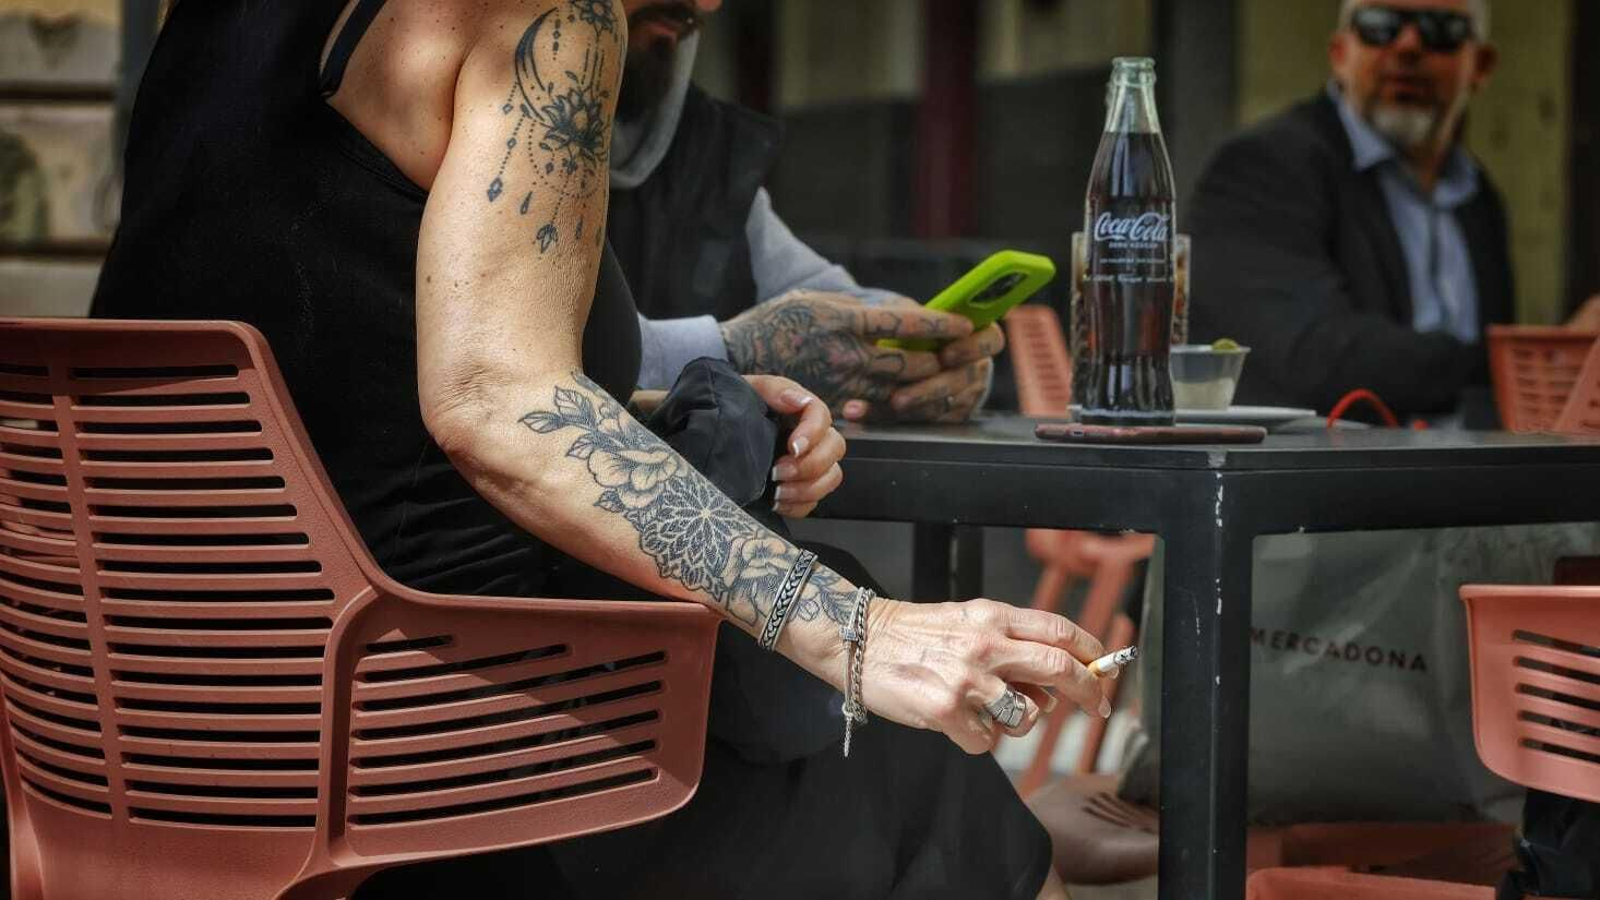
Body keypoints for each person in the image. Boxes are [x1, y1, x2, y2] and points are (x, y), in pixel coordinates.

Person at [89, 2, 1104, 898]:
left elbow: (339, 368)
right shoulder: (549, 11)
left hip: (162, 726)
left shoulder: (205, 24)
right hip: (442, 767)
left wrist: (659, 404)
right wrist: (856, 632)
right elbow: (493, 399)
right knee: (932, 789)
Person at [1189, 0, 1600, 423]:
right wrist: (1538, 360)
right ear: (1340, 54)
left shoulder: (1479, 197)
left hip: (1470, 480)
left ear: (1481, 64)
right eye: (1378, 25)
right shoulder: (1264, 165)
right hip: (1323, 481)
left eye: (1440, 28)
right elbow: (1315, 358)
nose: (1407, 46)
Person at [611, 1, 1005, 425]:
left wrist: (939, 356)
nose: (706, 5)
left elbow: (830, 299)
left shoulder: (703, 153)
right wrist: (735, 349)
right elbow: (547, 359)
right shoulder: (529, 149)